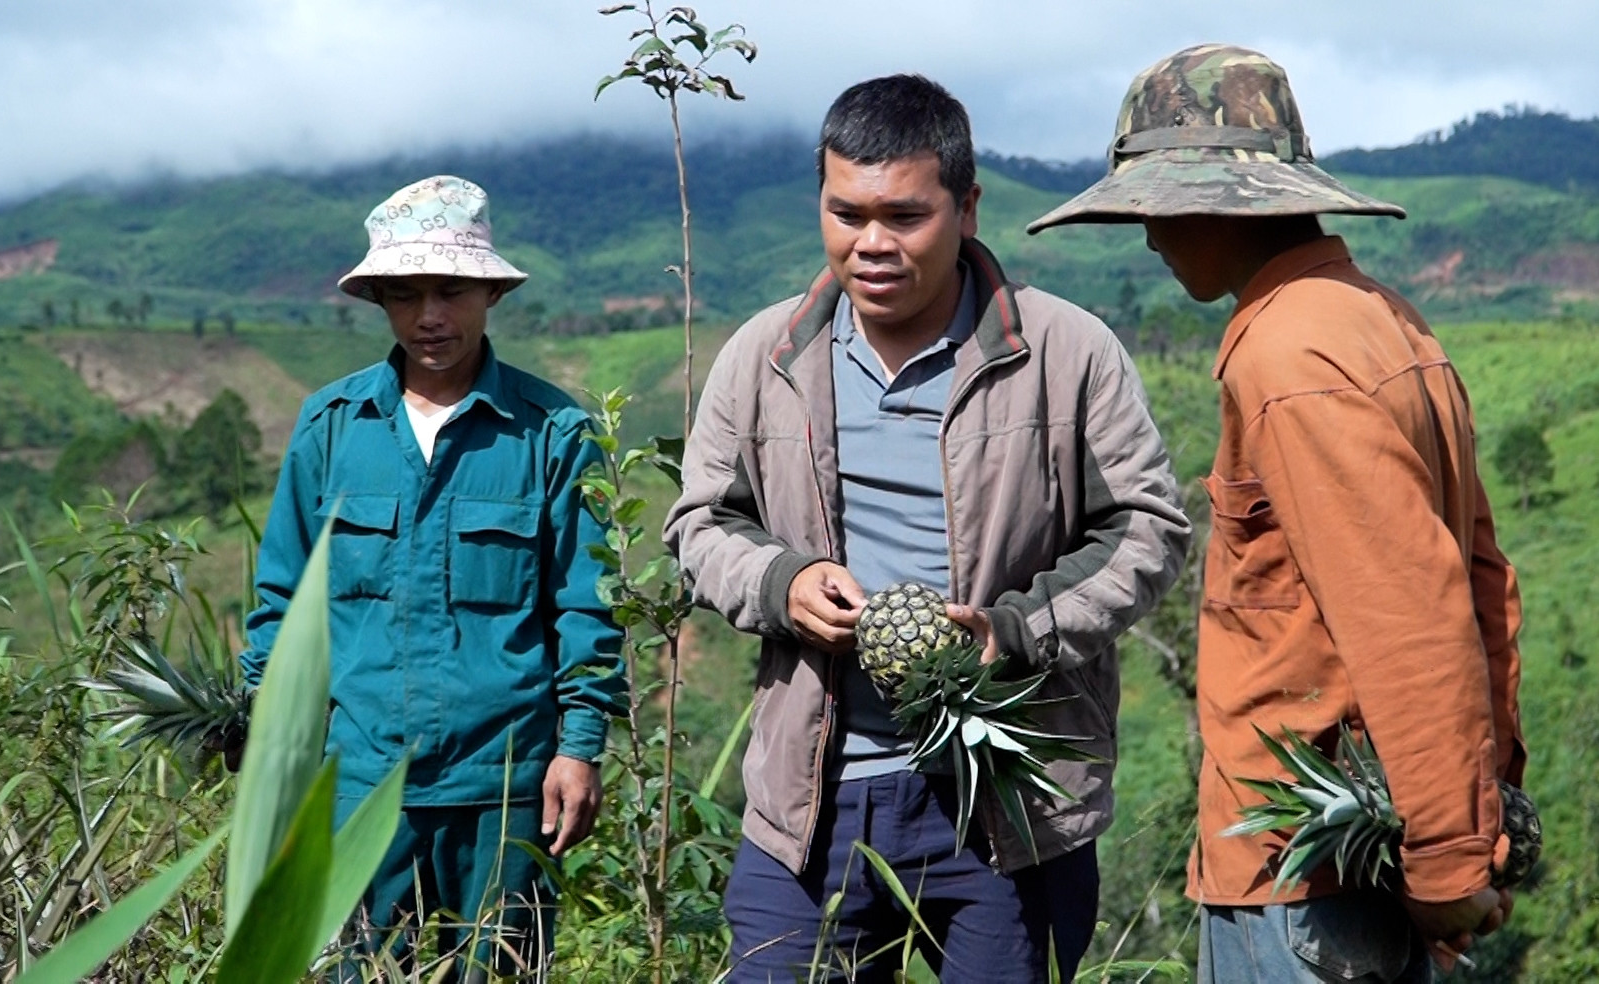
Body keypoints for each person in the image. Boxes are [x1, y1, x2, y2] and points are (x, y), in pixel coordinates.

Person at [664, 74, 1191, 983]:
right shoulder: (766, 358)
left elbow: (1147, 529)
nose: (872, 243)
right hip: (812, 803)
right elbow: (701, 524)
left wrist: (1016, 629)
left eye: (905, 216)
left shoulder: (1064, 353)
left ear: (967, 207)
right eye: (846, 214)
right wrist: (784, 584)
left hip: (1011, 809)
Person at [1027, 44, 1527, 982]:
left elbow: (1409, 616)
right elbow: (1481, 587)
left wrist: (1448, 857)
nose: (1149, 238)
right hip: (1360, 852)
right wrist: (1480, 813)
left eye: (1154, 210)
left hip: (1303, 882)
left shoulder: (1287, 355)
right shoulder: (1383, 319)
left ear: (1211, 204)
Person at [241, 175, 624, 977]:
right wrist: (265, 743)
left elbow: (586, 609)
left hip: (505, 786)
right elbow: (282, 602)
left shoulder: (551, 433)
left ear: (491, 293)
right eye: (405, 294)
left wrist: (580, 748)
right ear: (379, 299)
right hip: (358, 780)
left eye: (451, 291)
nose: (429, 316)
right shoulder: (332, 428)